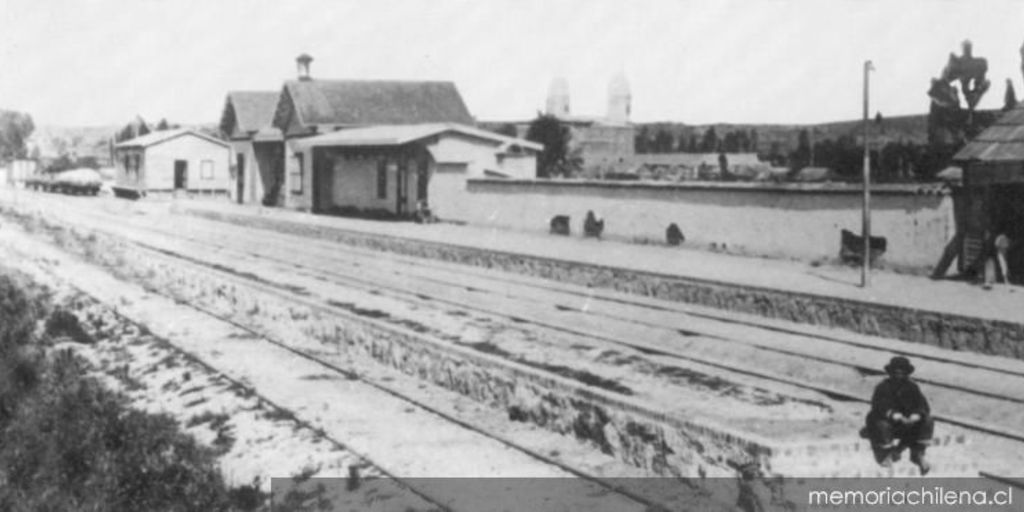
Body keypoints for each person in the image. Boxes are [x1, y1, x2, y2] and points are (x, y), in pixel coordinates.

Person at [862, 356, 934, 474]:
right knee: (882, 425)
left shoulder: (912, 387)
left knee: (928, 420)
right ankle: (886, 455)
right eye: (896, 373)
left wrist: (916, 415)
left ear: (907, 374)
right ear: (890, 373)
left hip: (906, 423)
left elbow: (923, 405)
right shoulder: (883, 387)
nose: (899, 376)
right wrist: (894, 415)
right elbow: (879, 406)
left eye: (902, 373)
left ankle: (918, 454)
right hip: (888, 422)